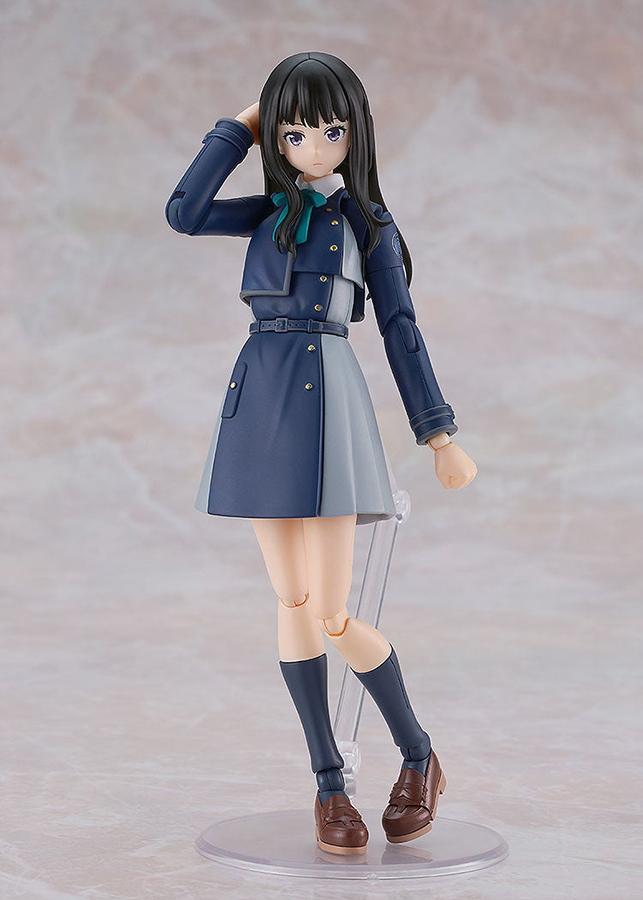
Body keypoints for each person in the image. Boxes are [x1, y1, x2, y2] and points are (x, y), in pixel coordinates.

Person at [165, 51, 477, 856]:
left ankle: (418, 754)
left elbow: (401, 330)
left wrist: (438, 433)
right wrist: (238, 128)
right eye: (293, 132)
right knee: (291, 603)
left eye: (329, 131)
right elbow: (183, 213)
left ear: (353, 134)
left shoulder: (368, 224)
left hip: (328, 400)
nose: (310, 146)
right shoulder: (266, 212)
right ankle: (328, 783)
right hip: (259, 398)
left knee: (333, 612)